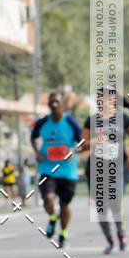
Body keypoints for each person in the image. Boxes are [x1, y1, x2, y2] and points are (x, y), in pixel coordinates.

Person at [81, 88, 129, 254]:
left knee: (115, 200)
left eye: (108, 96)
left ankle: (121, 234)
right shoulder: (91, 120)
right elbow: (81, 146)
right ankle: (110, 240)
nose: (104, 99)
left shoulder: (124, 118)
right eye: (101, 97)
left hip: (119, 168)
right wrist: (94, 140)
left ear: (114, 100)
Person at [30, 92, 82, 248]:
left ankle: (63, 234)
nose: (54, 105)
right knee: (48, 198)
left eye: (57, 102)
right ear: (48, 105)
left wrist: (73, 150)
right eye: (51, 102)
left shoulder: (70, 122)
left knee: (65, 205)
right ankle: (53, 217)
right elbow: (33, 137)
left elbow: (82, 142)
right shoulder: (42, 123)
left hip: (67, 171)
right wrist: (37, 151)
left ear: (62, 104)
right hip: (48, 169)